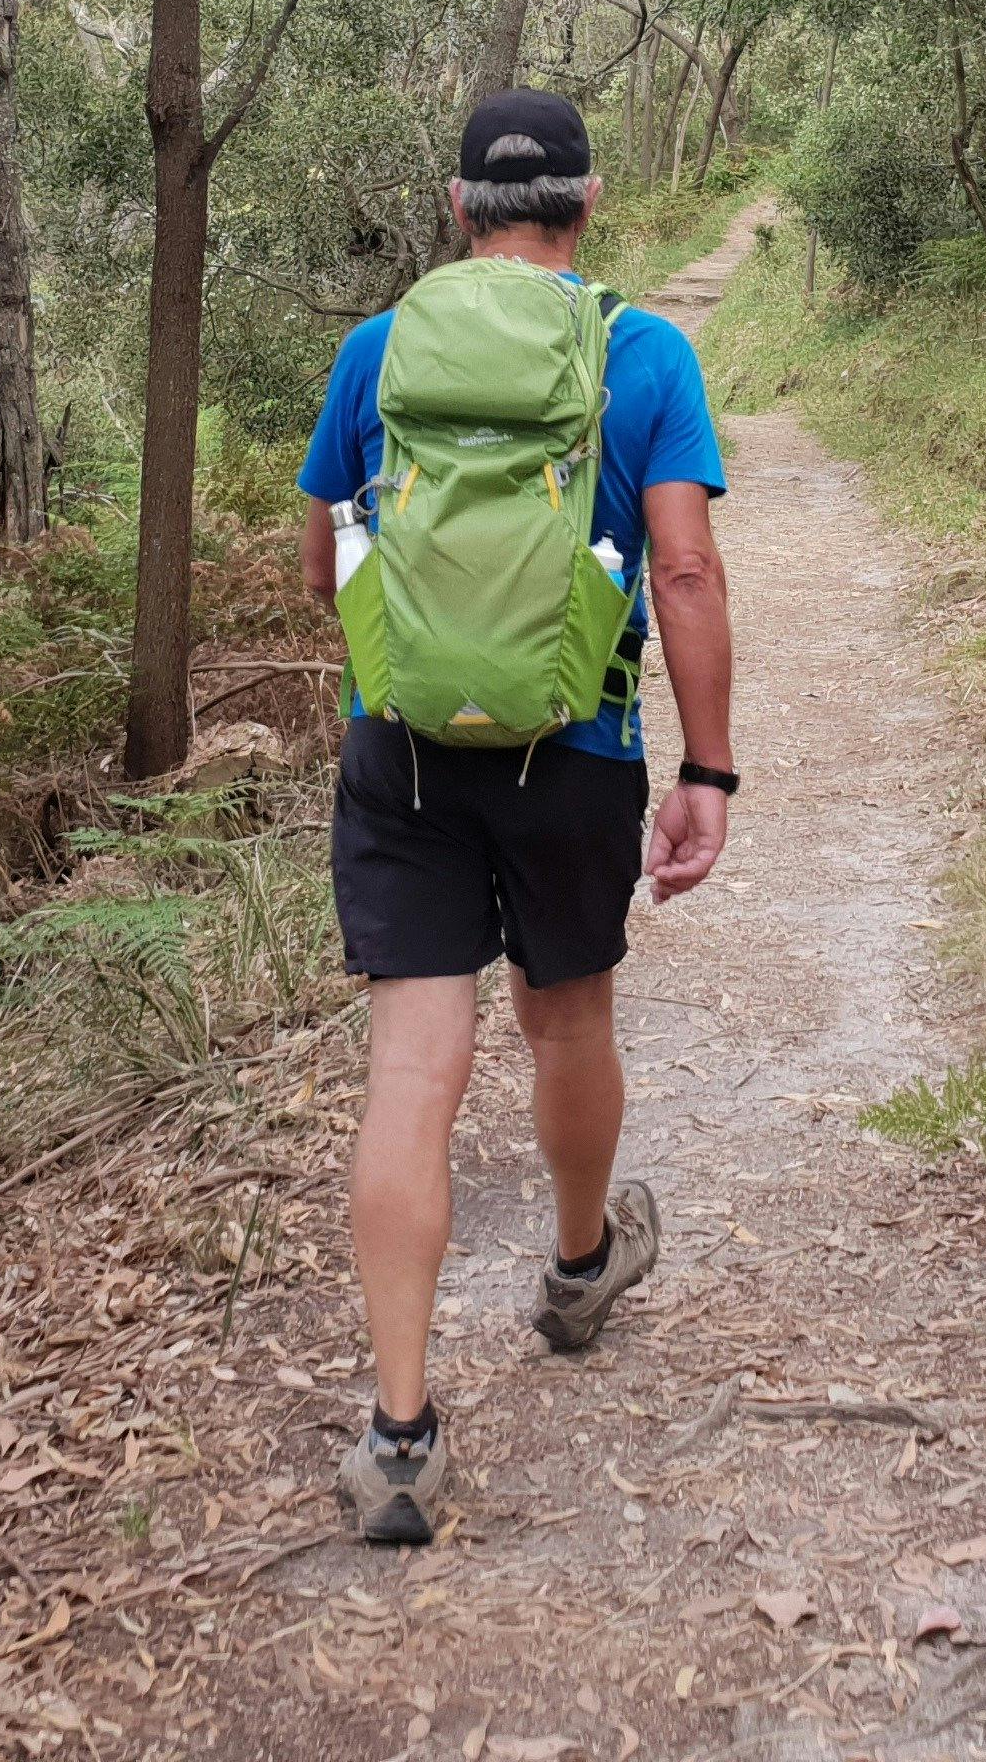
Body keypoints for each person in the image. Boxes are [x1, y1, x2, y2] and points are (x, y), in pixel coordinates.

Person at [297, 88, 739, 1545]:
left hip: (403, 748)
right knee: (567, 1020)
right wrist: (709, 771)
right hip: (579, 745)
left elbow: (324, 563)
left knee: (412, 1070)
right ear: (589, 202)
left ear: (457, 207)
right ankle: (578, 1267)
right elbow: (684, 571)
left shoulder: (378, 350)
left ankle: (400, 1437)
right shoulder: (645, 351)